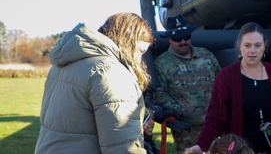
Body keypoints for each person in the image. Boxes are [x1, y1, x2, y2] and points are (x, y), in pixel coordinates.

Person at [35, 12, 154, 154]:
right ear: (127, 41)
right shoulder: (110, 71)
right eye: (140, 51)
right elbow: (122, 145)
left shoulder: (63, 64)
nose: (139, 59)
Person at [184, 22, 271, 154]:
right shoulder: (227, 76)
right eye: (247, 45)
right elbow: (215, 117)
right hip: (236, 150)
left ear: (265, 45)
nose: (252, 51)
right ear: (239, 45)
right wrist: (201, 145)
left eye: (257, 45)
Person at [154, 16, 221, 154]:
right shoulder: (162, 64)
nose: (183, 41)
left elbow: (222, 82)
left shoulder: (206, 55)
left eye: (186, 37)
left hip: (216, 125)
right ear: (169, 40)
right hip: (187, 132)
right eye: (178, 39)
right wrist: (180, 110)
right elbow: (159, 93)